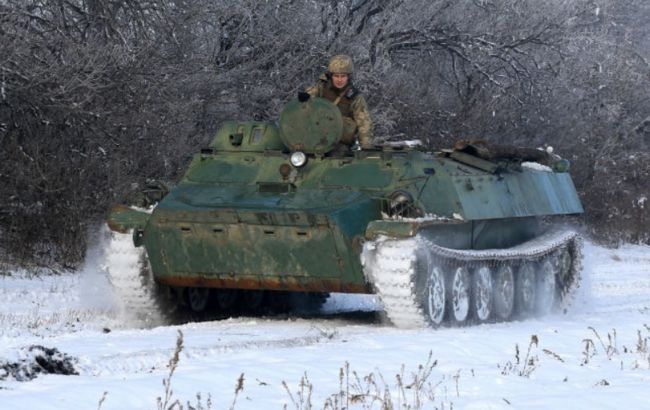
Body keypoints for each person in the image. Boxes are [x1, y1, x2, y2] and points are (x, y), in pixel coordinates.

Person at [303, 54, 373, 149]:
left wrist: (366, 146)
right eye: (336, 76)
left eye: (343, 76)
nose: (339, 80)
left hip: (339, 143)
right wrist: (304, 98)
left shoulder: (355, 97)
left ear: (348, 77)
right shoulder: (321, 88)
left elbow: (364, 124)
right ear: (331, 76)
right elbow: (306, 103)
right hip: (316, 138)